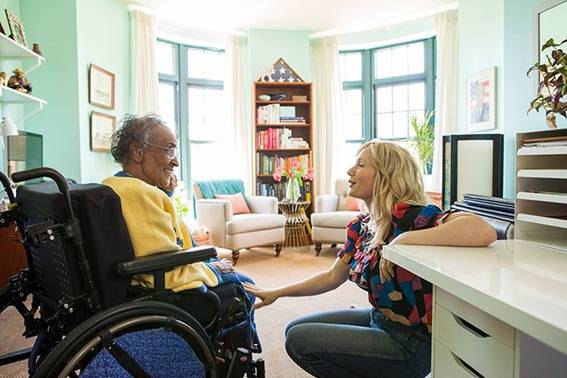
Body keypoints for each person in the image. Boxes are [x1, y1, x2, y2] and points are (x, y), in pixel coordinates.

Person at [244, 140, 496, 378]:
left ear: (387, 174)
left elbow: (482, 230)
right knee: (293, 329)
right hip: (379, 319)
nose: (350, 170)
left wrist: (400, 243)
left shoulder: (415, 218)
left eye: (361, 165)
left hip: (412, 342)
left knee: (301, 340)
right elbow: (332, 277)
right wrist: (277, 291)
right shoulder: (362, 225)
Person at [102, 114, 259, 348]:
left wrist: (166, 194)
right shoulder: (141, 193)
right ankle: (237, 358)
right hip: (161, 293)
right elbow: (166, 270)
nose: (175, 162)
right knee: (243, 284)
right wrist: (210, 269)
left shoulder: (116, 185)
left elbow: (158, 236)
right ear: (138, 152)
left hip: (135, 282)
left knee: (221, 267)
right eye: (170, 150)